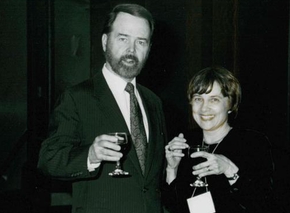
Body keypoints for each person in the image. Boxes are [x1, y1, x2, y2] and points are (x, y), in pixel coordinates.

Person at [38, 4, 167, 213]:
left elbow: (148, 179)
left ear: (149, 48)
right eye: (123, 38)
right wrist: (90, 155)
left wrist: (170, 166)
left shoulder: (154, 102)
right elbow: (48, 159)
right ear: (105, 41)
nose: (131, 50)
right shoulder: (77, 98)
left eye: (140, 41)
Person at [162, 66, 276, 213]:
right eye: (198, 99)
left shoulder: (253, 143)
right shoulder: (186, 142)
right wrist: (172, 169)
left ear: (230, 104)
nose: (204, 108)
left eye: (214, 100)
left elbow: (263, 205)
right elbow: (172, 206)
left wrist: (229, 169)